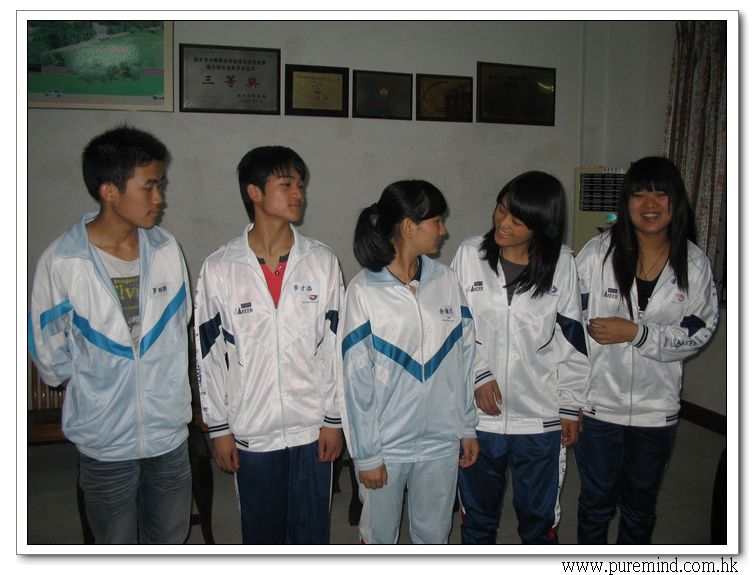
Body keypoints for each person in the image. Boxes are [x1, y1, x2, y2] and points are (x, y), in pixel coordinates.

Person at [28, 125, 193, 544]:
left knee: (169, 542)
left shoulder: (166, 250)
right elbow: (50, 360)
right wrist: (101, 389)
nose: (159, 198)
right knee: (114, 545)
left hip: (168, 434)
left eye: (160, 185)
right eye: (149, 186)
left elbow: (180, 326)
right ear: (109, 192)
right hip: (104, 442)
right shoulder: (63, 262)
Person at [194, 146, 344, 544]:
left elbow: (335, 348)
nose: (299, 194)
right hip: (253, 431)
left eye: (300, 185)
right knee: (263, 539)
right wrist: (219, 428)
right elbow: (209, 355)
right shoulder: (220, 268)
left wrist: (333, 419)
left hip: (312, 430)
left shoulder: (321, 261)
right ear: (254, 192)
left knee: (312, 537)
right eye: (287, 184)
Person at [574, 156, 719, 544]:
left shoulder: (693, 263)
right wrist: (569, 395)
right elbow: (567, 319)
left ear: (676, 201)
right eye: (639, 194)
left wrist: (637, 333)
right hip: (598, 406)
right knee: (595, 503)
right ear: (626, 202)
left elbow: (698, 331)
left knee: (639, 507)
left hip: (656, 412)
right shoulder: (598, 253)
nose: (650, 204)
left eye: (660, 194)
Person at [451, 171, 590, 544]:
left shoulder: (562, 263)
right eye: (501, 209)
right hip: (479, 419)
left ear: (542, 224)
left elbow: (571, 338)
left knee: (539, 523)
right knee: (477, 520)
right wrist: (478, 374)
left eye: (518, 218)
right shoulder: (470, 254)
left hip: (540, 418)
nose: (504, 223)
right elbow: (454, 326)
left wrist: (570, 404)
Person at [339, 180, 479, 544]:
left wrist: (467, 426)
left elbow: (465, 358)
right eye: (437, 221)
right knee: (379, 539)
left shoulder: (447, 280)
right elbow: (355, 381)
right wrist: (367, 455)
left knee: (434, 538)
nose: (443, 230)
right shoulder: (363, 290)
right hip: (387, 445)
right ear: (408, 226)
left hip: (441, 442)